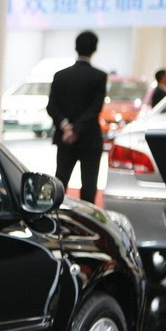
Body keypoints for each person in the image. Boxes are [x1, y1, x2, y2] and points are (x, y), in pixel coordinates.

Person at [46, 30, 107, 204]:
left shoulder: (60, 75)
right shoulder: (99, 76)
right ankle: (86, 219)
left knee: (61, 182)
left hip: (64, 139)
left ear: (75, 47)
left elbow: (51, 106)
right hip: (90, 139)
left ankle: (55, 217)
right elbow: (95, 109)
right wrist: (77, 129)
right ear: (95, 49)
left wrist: (66, 127)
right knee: (89, 185)